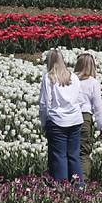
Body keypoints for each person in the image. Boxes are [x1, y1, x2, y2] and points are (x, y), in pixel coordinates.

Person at [38, 50, 84, 185]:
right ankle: (79, 186)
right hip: (75, 120)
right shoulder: (73, 77)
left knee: (59, 156)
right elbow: (79, 99)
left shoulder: (49, 78)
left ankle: (61, 187)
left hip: (57, 120)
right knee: (74, 156)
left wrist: (44, 122)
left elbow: (44, 103)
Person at [74, 53, 102, 180]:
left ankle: (68, 180)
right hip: (84, 118)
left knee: (71, 151)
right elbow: (98, 107)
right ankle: (82, 181)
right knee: (83, 152)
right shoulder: (93, 82)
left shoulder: (71, 80)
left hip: (69, 117)